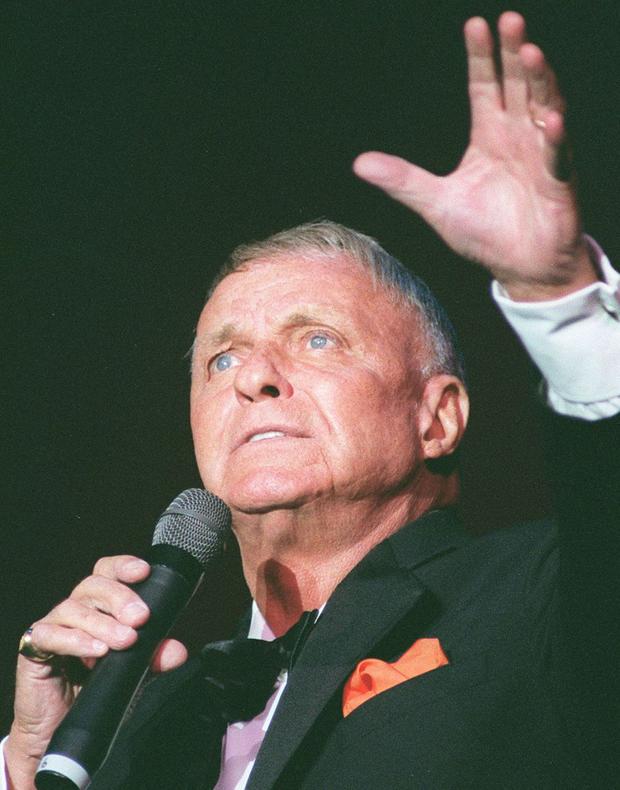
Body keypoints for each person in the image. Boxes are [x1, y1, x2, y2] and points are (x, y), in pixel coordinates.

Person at [4, 11, 620, 789]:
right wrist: (32, 763)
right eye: (221, 356)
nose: (252, 376)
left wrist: (554, 293)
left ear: (439, 418)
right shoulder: (139, 722)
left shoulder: (544, 601)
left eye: (318, 339)